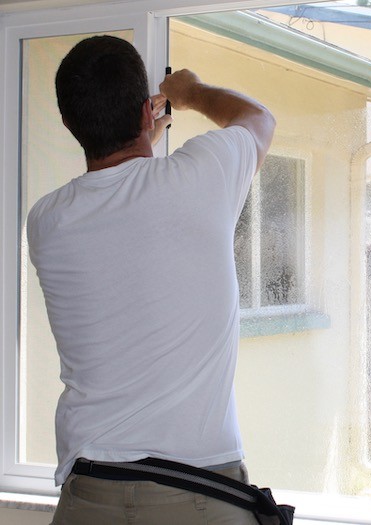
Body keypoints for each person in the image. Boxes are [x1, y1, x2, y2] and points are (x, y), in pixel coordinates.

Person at [26, 35, 276, 524]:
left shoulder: (45, 222)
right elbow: (258, 119)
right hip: (199, 495)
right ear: (148, 112)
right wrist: (192, 91)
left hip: (88, 498)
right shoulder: (199, 180)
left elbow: (119, 203)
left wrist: (139, 141)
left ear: (68, 124)